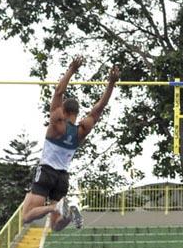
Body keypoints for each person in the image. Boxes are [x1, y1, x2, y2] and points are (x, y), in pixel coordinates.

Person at [22, 56, 120, 231]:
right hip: (62, 178)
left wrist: (72, 70)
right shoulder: (82, 131)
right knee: (55, 226)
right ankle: (68, 210)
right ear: (76, 112)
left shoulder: (57, 125)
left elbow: (58, 92)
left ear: (64, 110)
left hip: (46, 172)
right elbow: (101, 106)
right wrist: (111, 83)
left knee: (26, 216)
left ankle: (55, 207)